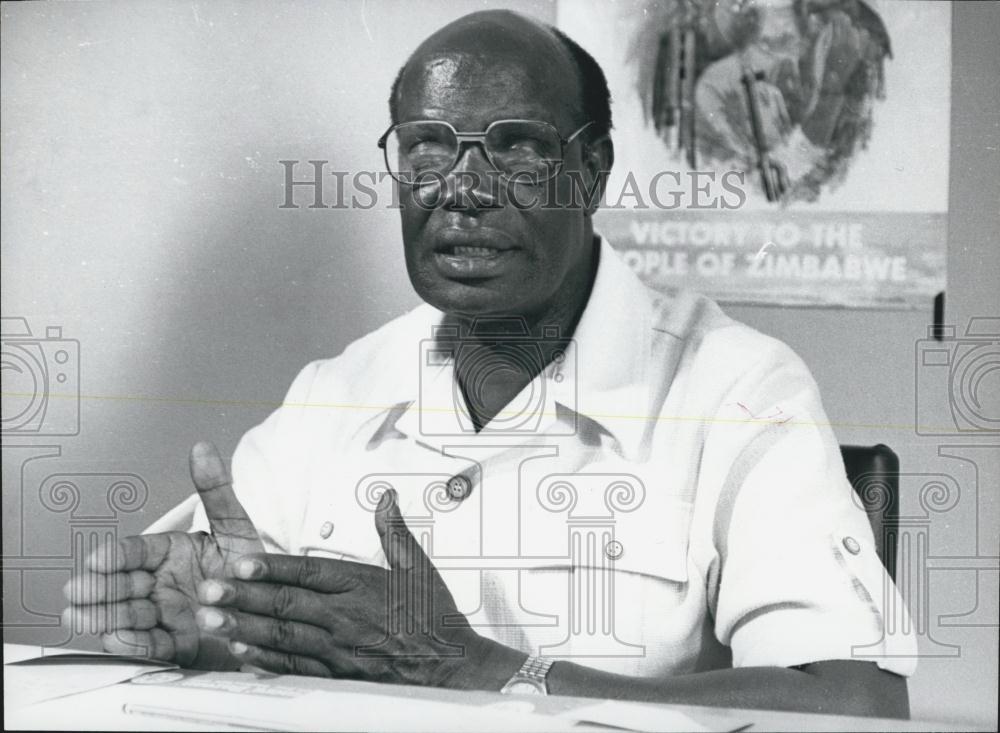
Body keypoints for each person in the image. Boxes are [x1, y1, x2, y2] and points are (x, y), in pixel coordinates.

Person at [63, 9, 915, 717]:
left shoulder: (739, 389)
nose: (462, 187)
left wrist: (486, 671)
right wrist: (208, 625)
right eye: (427, 146)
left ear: (591, 170)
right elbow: (236, 613)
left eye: (515, 146)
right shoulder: (338, 389)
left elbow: (856, 700)